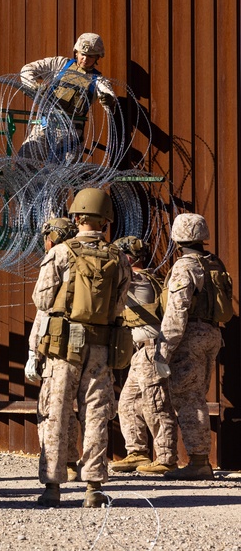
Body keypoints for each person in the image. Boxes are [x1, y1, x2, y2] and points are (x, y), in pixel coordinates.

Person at [31, 188, 130, 508]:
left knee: (57, 413)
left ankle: (53, 488)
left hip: (63, 346)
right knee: (97, 414)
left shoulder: (60, 253)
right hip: (100, 346)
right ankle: (93, 488)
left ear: (76, 217)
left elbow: (42, 300)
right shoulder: (119, 257)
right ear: (105, 221)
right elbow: (118, 306)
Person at [156, 213, 231, 480]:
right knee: (196, 395)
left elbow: (177, 311)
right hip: (211, 333)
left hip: (191, 336)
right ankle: (199, 460)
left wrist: (162, 351)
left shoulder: (185, 266)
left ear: (177, 237)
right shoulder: (214, 263)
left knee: (188, 398)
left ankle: (199, 462)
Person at [107, 236, 179, 476]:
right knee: (128, 402)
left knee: (156, 404)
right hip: (140, 353)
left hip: (151, 350)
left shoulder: (137, 279)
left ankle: (167, 458)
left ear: (127, 258)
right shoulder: (139, 279)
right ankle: (137, 451)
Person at [24, 217, 83, 481]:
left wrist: (33, 353)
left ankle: (58, 467)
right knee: (83, 407)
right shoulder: (96, 258)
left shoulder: (57, 258)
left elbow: (43, 309)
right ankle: (78, 466)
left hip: (59, 346)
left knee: (52, 407)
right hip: (93, 346)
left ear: (52, 238)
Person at [17, 33, 117, 163]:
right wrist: (34, 87)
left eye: (90, 56)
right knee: (24, 161)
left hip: (71, 135)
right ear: (76, 52)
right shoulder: (60, 64)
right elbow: (27, 69)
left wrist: (108, 100)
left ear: (98, 57)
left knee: (63, 177)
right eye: (83, 54)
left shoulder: (98, 80)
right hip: (45, 126)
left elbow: (108, 97)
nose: (85, 59)